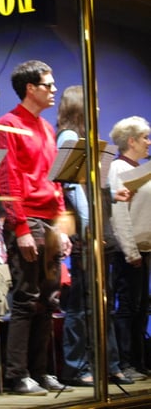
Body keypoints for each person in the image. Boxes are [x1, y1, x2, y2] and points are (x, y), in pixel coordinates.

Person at [0, 60, 73, 396]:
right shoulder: (8, 124)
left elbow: (55, 180)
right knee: (26, 297)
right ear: (30, 88)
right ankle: (17, 374)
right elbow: (7, 178)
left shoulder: (47, 128)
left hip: (50, 221)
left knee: (49, 299)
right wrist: (21, 227)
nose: (54, 90)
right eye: (48, 85)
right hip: (29, 219)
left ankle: (41, 371)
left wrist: (62, 224)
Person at [55, 85, 133, 387]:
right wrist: (89, 229)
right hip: (86, 234)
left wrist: (112, 194)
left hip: (98, 231)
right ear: (80, 107)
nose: (98, 108)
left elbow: (91, 188)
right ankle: (76, 367)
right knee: (81, 304)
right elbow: (72, 188)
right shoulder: (68, 137)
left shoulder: (86, 139)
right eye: (93, 103)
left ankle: (108, 363)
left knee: (102, 302)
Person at [108, 115, 151, 382]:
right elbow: (119, 214)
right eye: (145, 137)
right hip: (129, 251)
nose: (149, 142)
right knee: (127, 307)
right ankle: (125, 362)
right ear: (132, 141)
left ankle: (138, 360)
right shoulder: (118, 168)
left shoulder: (142, 169)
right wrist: (130, 251)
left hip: (145, 249)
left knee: (141, 307)